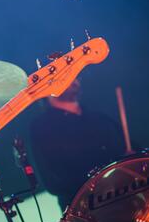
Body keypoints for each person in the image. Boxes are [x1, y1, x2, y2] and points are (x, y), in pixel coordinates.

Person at [30, 79, 126, 211]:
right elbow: (53, 182)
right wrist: (101, 183)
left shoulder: (100, 118)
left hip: (127, 198)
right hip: (86, 212)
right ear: (46, 87)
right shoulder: (41, 128)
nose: (74, 79)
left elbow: (129, 149)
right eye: (66, 75)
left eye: (75, 75)